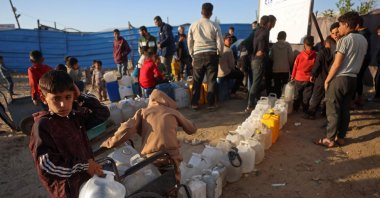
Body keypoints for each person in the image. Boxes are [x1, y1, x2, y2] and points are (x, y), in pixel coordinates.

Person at [29, 70, 110, 197]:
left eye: (68, 97)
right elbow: (47, 166)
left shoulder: (74, 117)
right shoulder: (43, 126)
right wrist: (83, 165)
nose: (63, 104)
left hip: (86, 181)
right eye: (56, 99)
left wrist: (81, 97)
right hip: (68, 189)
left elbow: (102, 113)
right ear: (44, 98)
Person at [100, 89, 197, 182]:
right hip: (171, 156)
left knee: (153, 180)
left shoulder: (142, 112)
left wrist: (108, 143)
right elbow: (192, 129)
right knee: (173, 181)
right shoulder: (173, 112)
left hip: (151, 157)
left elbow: (126, 129)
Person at [315, 11, 367, 148]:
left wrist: (327, 80)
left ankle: (329, 139)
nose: (338, 29)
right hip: (353, 79)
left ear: (346, 24)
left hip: (340, 79)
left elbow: (337, 64)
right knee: (345, 109)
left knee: (332, 109)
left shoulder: (345, 40)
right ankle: (341, 137)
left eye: (340, 26)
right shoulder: (363, 40)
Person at [188, 2, 223, 110]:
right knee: (211, 80)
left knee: (197, 80)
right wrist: (219, 54)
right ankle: (211, 104)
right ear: (211, 13)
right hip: (211, 55)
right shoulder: (214, 25)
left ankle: (194, 103)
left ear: (201, 12)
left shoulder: (194, 25)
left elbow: (189, 42)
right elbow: (220, 42)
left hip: (198, 55)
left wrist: (192, 55)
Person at [246, 15, 276, 112]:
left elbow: (247, 43)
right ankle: (250, 105)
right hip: (259, 60)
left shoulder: (257, 30)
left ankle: (254, 100)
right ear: (268, 23)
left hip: (254, 59)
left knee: (257, 82)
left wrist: (253, 52)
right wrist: (261, 50)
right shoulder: (265, 31)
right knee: (256, 82)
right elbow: (261, 43)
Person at [306, 36, 336, 119]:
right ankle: (324, 113)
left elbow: (317, 65)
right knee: (327, 97)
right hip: (331, 78)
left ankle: (311, 114)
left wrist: (313, 75)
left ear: (326, 43)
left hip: (320, 77)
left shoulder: (322, 52)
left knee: (316, 96)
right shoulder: (336, 53)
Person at [291, 36, 317, 112]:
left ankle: (295, 109)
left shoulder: (299, 56)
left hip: (298, 78)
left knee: (297, 95)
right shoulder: (315, 56)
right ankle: (305, 109)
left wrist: (292, 76)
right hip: (309, 79)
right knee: (307, 95)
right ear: (313, 44)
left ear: (304, 44)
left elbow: (295, 67)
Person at [218, 33, 244, 98]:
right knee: (241, 74)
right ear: (224, 40)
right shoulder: (229, 50)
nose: (231, 41)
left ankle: (239, 86)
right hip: (224, 73)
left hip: (217, 72)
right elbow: (231, 66)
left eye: (231, 40)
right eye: (229, 40)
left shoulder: (218, 48)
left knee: (236, 71)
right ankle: (233, 92)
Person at [353, 16, 371, 106]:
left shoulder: (362, 34)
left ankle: (359, 99)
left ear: (357, 24)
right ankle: (359, 97)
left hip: (363, 58)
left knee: (358, 78)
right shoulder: (364, 32)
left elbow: (363, 50)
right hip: (365, 58)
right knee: (358, 77)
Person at [269, 31, 293, 98]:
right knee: (285, 86)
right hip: (285, 69)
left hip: (276, 70)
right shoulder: (288, 45)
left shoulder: (274, 46)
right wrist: (290, 66)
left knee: (277, 86)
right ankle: (283, 100)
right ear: (285, 37)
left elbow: (271, 57)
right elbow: (291, 58)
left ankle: (277, 100)